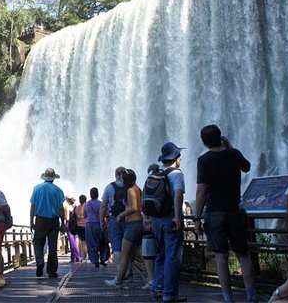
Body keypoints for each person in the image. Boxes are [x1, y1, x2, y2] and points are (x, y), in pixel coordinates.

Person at [194, 124, 256, 303]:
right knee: (243, 254)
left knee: (221, 256)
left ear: (204, 142)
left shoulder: (204, 160)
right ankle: (251, 296)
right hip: (234, 211)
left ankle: (228, 299)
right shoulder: (234, 154)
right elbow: (247, 167)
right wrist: (229, 147)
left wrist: (196, 217)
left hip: (214, 213)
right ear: (221, 136)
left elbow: (202, 190)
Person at [150, 142, 187, 302]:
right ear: (176, 158)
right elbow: (178, 195)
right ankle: (170, 294)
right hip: (171, 218)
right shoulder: (176, 174)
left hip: (156, 221)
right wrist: (178, 216)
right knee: (172, 257)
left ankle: (157, 289)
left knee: (160, 255)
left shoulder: (156, 174)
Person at [104, 168, 144, 289]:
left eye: (123, 179)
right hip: (138, 223)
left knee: (124, 254)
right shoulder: (137, 189)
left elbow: (134, 207)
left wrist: (121, 214)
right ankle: (152, 279)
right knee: (140, 253)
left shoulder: (131, 190)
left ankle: (118, 281)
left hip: (132, 224)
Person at [30, 168, 65, 278]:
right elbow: (61, 208)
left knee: (38, 242)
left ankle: (40, 262)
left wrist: (31, 221)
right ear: (54, 178)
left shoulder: (36, 188)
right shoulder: (58, 190)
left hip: (40, 220)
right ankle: (52, 271)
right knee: (53, 246)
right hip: (54, 221)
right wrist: (62, 222)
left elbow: (33, 206)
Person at [100, 166, 127, 267]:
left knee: (116, 248)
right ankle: (128, 270)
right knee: (128, 246)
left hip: (114, 219)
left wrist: (101, 221)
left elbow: (103, 206)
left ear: (115, 175)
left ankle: (119, 272)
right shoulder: (130, 186)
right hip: (129, 219)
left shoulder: (109, 187)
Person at [86, 187, 109, 268]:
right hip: (100, 224)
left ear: (90, 194)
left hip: (90, 225)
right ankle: (103, 259)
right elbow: (106, 214)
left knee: (92, 243)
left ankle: (95, 261)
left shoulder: (87, 204)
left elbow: (85, 215)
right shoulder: (101, 204)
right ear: (98, 194)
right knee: (103, 242)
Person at [63, 196, 81, 263]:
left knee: (72, 242)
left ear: (67, 200)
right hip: (75, 225)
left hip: (69, 225)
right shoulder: (75, 207)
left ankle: (76, 257)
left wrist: (64, 224)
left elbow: (67, 218)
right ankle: (74, 257)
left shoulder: (67, 207)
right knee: (75, 241)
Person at [75, 194, 88, 263]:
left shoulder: (77, 208)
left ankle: (81, 256)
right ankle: (85, 258)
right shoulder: (87, 206)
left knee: (81, 242)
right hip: (86, 225)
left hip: (79, 226)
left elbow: (76, 217)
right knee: (85, 242)